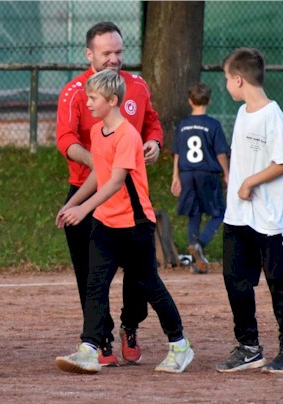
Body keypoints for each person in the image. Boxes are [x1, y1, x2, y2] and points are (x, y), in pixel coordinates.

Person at [54, 69, 194, 375]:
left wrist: (83, 209)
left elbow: (116, 181)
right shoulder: (97, 132)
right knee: (95, 285)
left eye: (93, 98)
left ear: (112, 101)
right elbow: (98, 174)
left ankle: (180, 345)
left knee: (149, 286)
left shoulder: (128, 135)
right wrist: (71, 204)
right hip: (105, 224)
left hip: (135, 225)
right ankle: (88, 349)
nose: (88, 103)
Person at [55, 21, 162, 367]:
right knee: (90, 274)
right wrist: (98, 163)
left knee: (139, 271)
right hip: (86, 190)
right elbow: (65, 139)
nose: (114, 58)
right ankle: (100, 338)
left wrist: (154, 142)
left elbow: (152, 122)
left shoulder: (137, 86)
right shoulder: (74, 92)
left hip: (127, 196)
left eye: (119, 52)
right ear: (89, 54)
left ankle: (131, 325)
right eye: (106, 53)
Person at [216, 48, 283, 374]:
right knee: (234, 278)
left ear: (239, 79)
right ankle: (249, 347)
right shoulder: (243, 113)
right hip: (238, 216)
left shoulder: (273, 116)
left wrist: (250, 181)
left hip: (270, 219)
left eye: (227, 78)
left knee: (279, 284)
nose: (226, 84)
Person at [171, 83, 230, 274]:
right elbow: (221, 153)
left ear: (190, 101)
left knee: (194, 214)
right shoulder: (213, 125)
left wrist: (175, 177)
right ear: (209, 101)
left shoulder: (183, 125)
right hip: (207, 174)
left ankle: (195, 257)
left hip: (187, 174)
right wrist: (227, 173)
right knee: (219, 213)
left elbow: (178, 153)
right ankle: (200, 244)